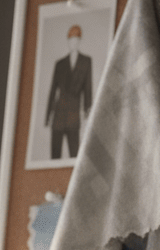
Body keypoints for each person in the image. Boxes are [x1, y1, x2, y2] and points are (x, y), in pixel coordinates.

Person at [46, 25, 93, 159]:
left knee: (75, 157)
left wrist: (88, 112)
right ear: (68, 41)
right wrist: (49, 115)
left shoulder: (86, 61)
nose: (74, 43)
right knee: (55, 157)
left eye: (77, 40)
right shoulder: (60, 64)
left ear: (80, 41)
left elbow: (88, 89)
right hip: (58, 116)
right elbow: (52, 91)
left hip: (74, 115)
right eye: (71, 40)